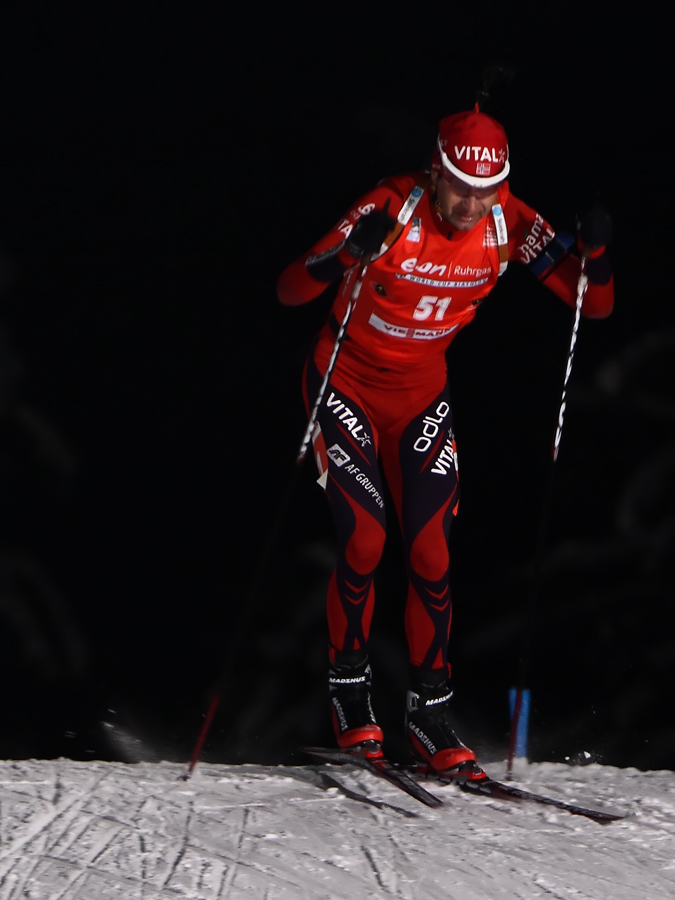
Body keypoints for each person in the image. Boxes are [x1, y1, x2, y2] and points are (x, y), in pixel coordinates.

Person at [277, 105, 613, 773]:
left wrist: (596, 252)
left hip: (420, 396)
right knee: (366, 539)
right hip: (342, 382)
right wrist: (347, 251)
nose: (469, 203)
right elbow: (290, 289)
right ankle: (350, 694)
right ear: (435, 170)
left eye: (485, 189)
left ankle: (429, 713)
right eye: (459, 185)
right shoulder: (391, 204)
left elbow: (591, 304)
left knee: (431, 552)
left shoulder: (508, 220)